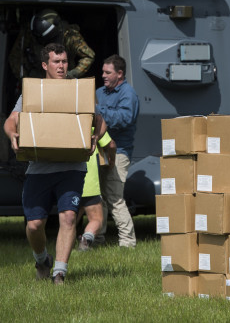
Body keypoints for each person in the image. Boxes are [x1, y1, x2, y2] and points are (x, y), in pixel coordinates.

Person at [3, 43, 104, 284]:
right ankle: (42, 260)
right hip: (40, 168)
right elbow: (11, 121)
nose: (62, 66)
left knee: (69, 217)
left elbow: (100, 120)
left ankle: (59, 273)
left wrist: (95, 137)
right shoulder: (33, 92)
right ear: (45, 65)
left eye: (65, 61)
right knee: (35, 224)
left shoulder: (77, 91)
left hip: (72, 167)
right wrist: (12, 135)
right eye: (56, 62)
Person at [96, 54, 139, 248]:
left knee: (114, 196)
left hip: (119, 151)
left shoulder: (128, 94)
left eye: (108, 72)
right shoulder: (99, 92)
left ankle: (128, 242)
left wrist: (98, 113)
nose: (103, 75)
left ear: (119, 74)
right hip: (99, 150)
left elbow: (124, 119)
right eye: (103, 71)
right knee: (99, 196)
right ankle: (97, 238)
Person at [9, 8, 95, 79]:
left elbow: (89, 55)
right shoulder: (30, 32)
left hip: (63, 78)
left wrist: (73, 74)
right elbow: (15, 56)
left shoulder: (69, 35)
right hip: (37, 77)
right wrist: (25, 78)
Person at [77, 130, 116, 251]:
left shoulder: (61, 121)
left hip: (66, 181)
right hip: (88, 181)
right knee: (97, 219)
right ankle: (86, 240)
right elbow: (111, 144)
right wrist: (112, 159)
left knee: (69, 220)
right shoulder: (91, 123)